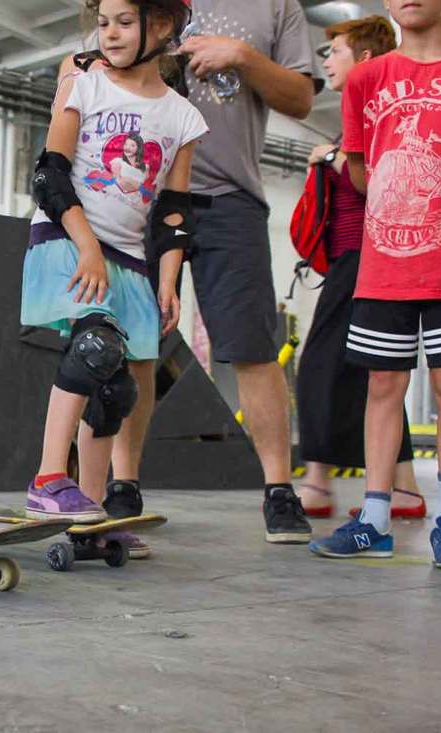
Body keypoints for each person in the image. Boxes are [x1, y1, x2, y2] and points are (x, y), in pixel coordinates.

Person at [310, 0, 441, 569]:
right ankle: (373, 520)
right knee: (383, 388)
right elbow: (363, 171)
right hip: (385, 264)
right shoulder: (366, 78)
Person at [23, 0, 207, 531]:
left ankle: (92, 506)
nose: (110, 34)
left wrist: (168, 281)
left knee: (117, 387)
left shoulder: (182, 116)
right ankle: (48, 479)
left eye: (125, 22)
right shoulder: (86, 85)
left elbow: (175, 213)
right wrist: (86, 247)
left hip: (130, 260)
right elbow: (49, 174)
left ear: (164, 26)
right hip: (69, 237)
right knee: (95, 346)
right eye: (103, 23)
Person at [169, 0, 318, 543]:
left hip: (231, 198)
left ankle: (279, 491)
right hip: (144, 193)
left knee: (254, 349)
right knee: (130, 341)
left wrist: (242, 57)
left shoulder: (277, 6)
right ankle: (122, 485)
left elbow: (301, 98)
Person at [294, 16, 427, 520]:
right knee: (378, 373)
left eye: (337, 51)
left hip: (365, 259)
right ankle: (407, 489)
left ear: (366, 60)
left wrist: (330, 158)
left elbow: (385, 179)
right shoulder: (359, 115)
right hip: (357, 260)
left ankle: (318, 480)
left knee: (320, 368)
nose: (326, 60)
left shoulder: (380, 114)